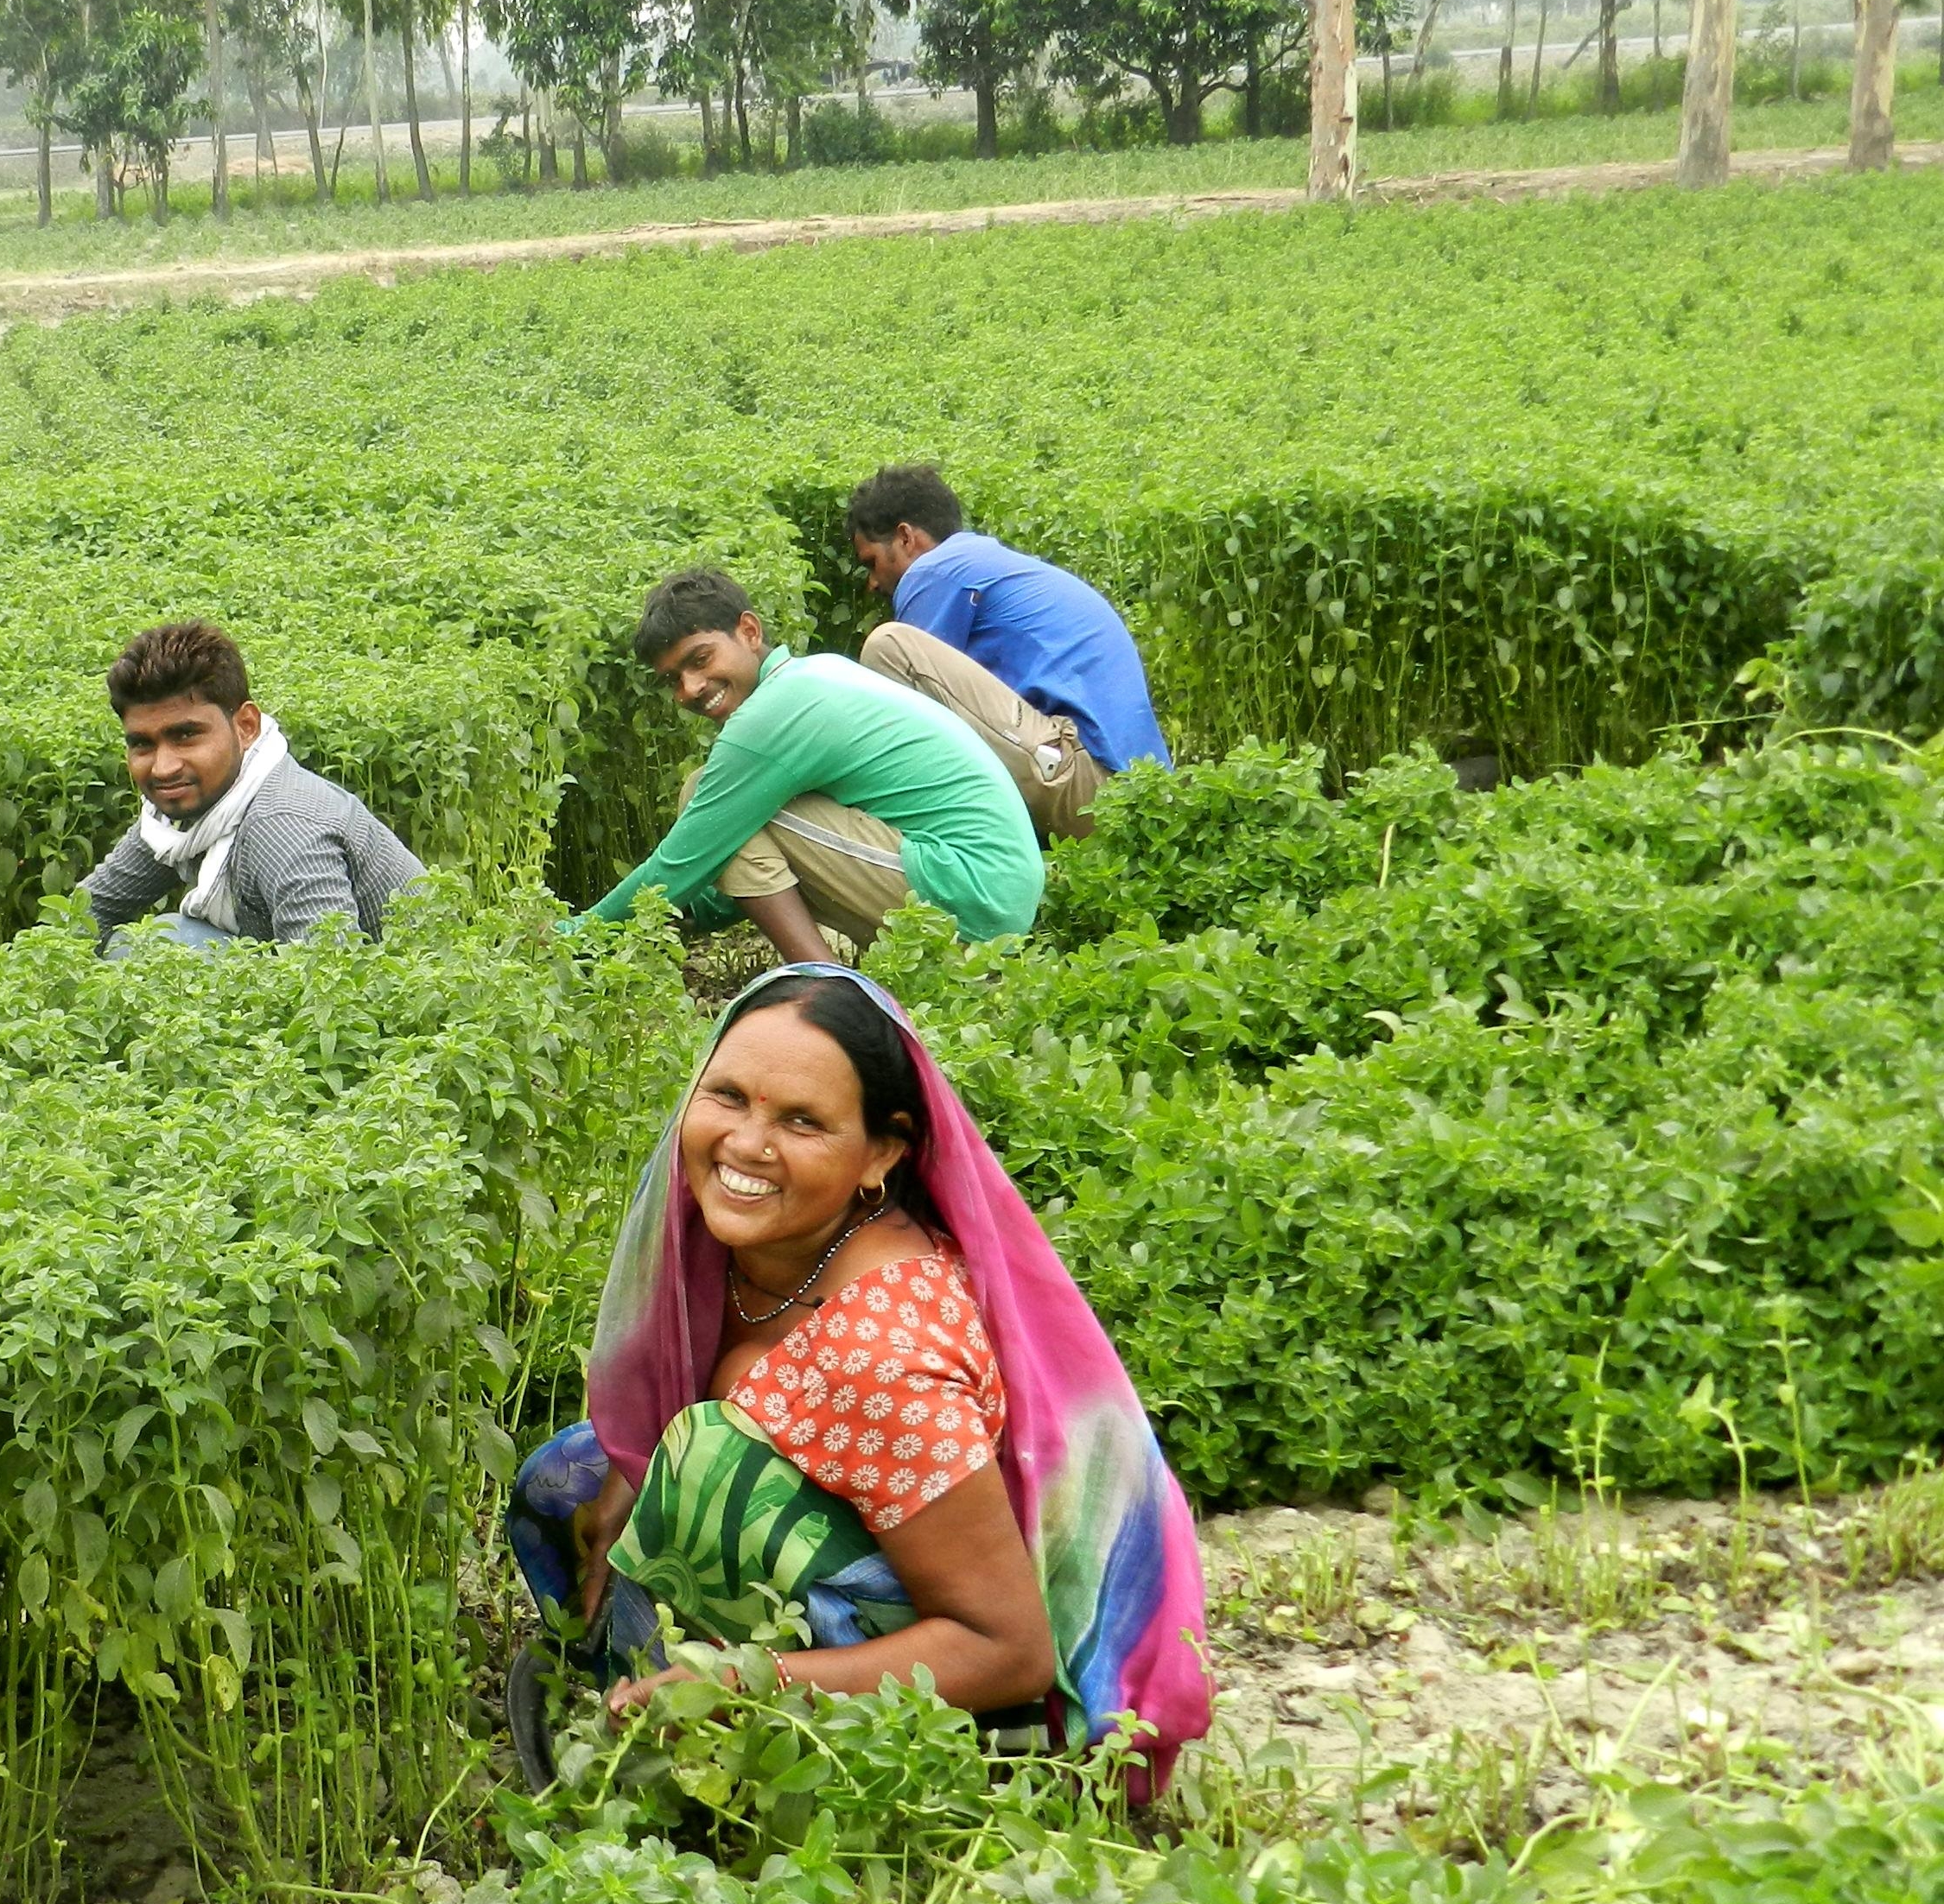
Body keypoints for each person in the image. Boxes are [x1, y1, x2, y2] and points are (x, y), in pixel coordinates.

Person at [502, 963, 1210, 1793]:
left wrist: (738, 1687)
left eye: (802, 1121)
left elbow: (1008, 1648)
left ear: (881, 1153)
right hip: (858, 1565)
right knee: (575, 1473)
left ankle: (730, 1761)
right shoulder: (736, 1246)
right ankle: (634, 1677)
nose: (746, 1145)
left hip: (973, 1712)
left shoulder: (878, 1354)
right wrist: (637, 1478)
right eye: (728, 1096)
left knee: (707, 1462)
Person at [581, 569, 1041, 966]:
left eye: (700, 660)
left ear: (749, 631)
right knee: (734, 815)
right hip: (995, 889)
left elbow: (680, 863)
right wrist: (691, 912)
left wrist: (574, 937)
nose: (691, 689)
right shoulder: (817, 670)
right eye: (673, 680)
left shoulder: (772, 715)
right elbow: (751, 867)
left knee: (707, 798)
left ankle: (831, 986)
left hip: (975, 898)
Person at [843, 464, 1172, 842]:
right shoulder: (987, 564)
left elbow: (899, 720)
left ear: (905, 538)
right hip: (1139, 797)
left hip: (1091, 782)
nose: (872, 582)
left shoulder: (938, 569)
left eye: (871, 562)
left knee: (890, 648)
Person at [81, 621, 424, 950]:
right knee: (149, 945)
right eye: (142, 744)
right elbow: (83, 918)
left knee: (166, 944)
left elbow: (331, 981)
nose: (164, 767)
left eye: (186, 735)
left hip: (409, 995)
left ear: (246, 726)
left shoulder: (282, 828)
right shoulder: (180, 814)